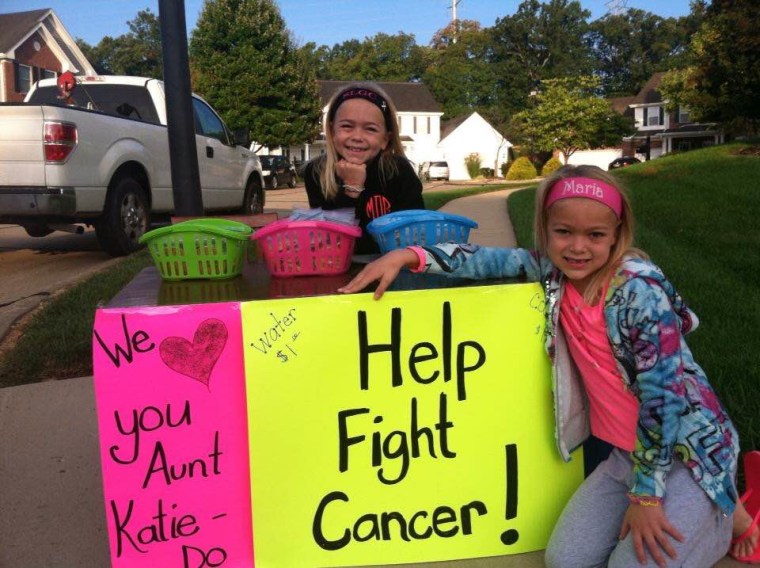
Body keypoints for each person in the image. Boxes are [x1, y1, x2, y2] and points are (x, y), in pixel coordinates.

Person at [338, 164, 759, 567]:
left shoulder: (639, 295)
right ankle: (718, 510)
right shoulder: (550, 271)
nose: (577, 246)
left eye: (595, 234)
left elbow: (664, 400)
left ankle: (723, 516)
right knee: (566, 559)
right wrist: (410, 256)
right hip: (623, 457)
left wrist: (646, 498)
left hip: (687, 454)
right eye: (564, 232)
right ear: (545, 230)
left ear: (617, 235)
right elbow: (483, 260)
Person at [304, 82, 424, 254]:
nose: (357, 137)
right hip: (341, 265)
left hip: (392, 264)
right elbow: (331, 239)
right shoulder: (317, 172)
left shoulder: (399, 171)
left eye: (370, 129)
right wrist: (352, 190)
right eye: (347, 126)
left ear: (385, 139)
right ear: (331, 131)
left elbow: (417, 233)